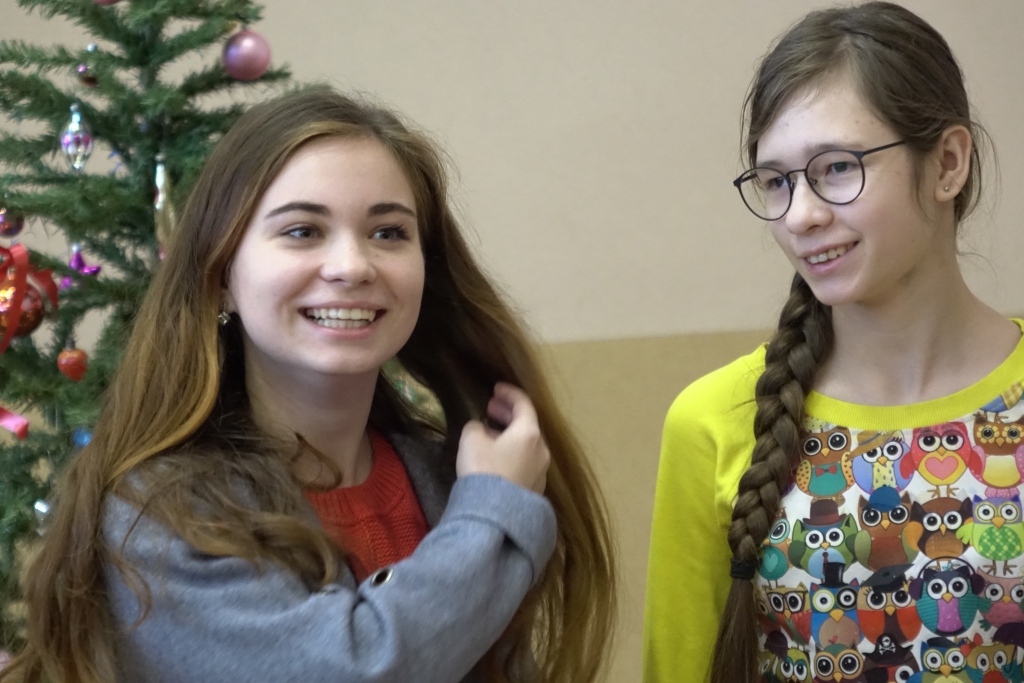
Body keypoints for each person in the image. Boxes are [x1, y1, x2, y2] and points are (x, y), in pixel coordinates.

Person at [4, 87, 615, 683]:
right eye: (302, 231)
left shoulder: (452, 478)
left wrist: (487, 501)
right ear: (221, 276)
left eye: (389, 232)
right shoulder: (160, 512)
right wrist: (495, 512)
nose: (352, 266)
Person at [643, 4, 1024, 682]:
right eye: (776, 182)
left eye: (838, 167)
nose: (801, 215)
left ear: (948, 163)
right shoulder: (714, 420)